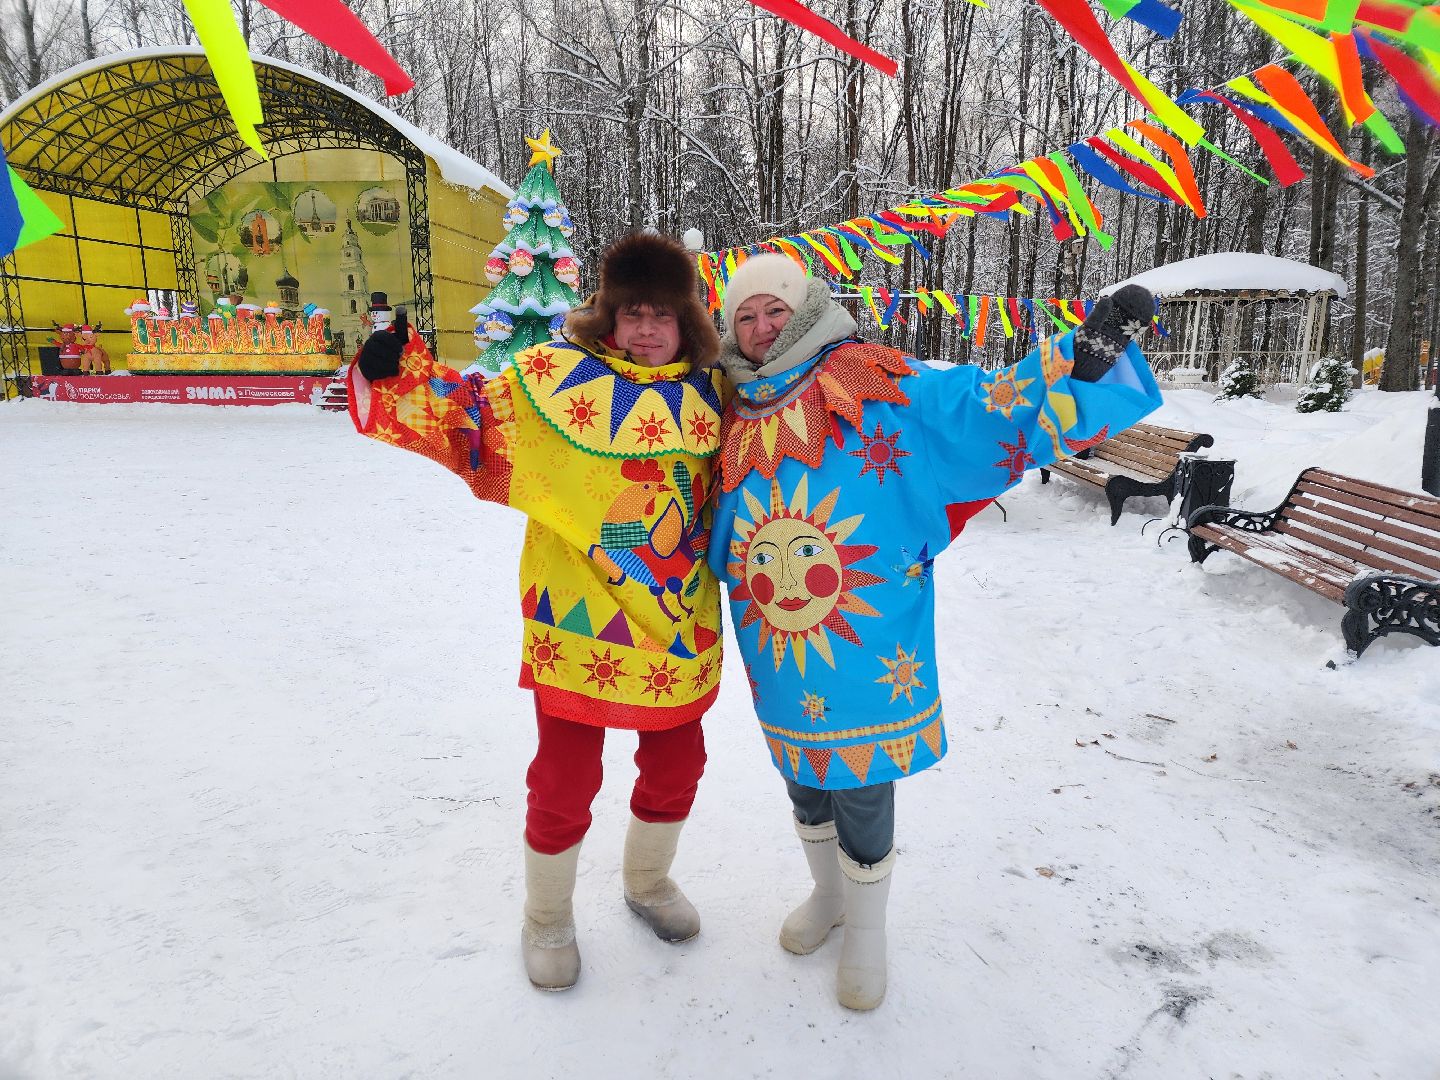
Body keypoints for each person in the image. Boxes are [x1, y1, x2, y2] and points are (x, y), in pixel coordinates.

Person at [707, 253, 1162, 1011]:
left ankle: (868, 932)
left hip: (866, 626)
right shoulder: (725, 404)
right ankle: (829, 897)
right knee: (800, 770)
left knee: (860, 772)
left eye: (775, 311)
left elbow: (974, 407)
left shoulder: (867, 378)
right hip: (775, 635)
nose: (760, 328)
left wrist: (1074, 362)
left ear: (807, 309)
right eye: (745, 316)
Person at [348, 233, 726, 992]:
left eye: (663, 315)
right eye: (632, 314)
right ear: (609, 317)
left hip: (678, 619)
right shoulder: (553, 384)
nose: (647, 329)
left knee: (681, 762)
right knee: (564, 776)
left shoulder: (719, 396)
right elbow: (468, 422)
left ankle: (646, 883)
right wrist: (396, 373)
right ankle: (546, 917)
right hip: (580, 619)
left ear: (687, 322)